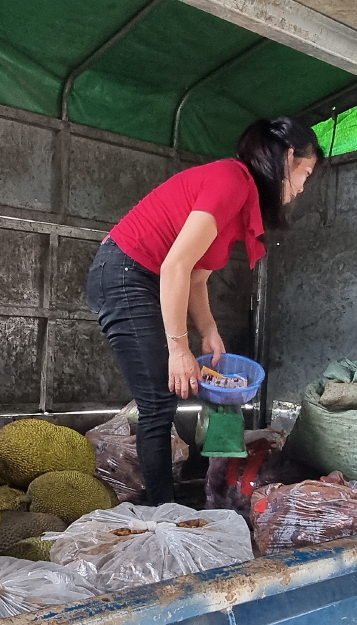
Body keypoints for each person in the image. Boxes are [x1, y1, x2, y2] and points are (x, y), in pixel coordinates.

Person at [86, 117, 319, 505]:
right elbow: (175, 266)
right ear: (289, 156)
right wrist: (179, 349)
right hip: (126, 271)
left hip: (146, 274)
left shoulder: (243, 201)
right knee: (159, 401)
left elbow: (196, 277)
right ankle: (165, 514)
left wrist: (208, 330)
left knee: (163, 398)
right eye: (305, 173)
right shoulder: (232, 180)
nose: (302, 187)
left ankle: (164, 504)